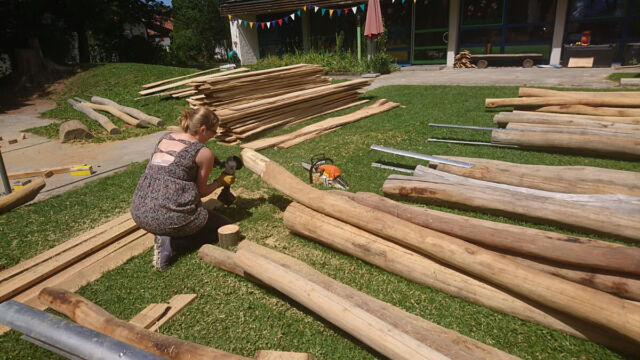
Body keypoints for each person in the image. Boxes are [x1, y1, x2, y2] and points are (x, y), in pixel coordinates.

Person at [130, 108, 235, 270]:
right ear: (202, 130)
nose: (213, 137)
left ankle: (166, 233)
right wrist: (220, 182)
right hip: (168, 216)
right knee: (222, 227)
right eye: (213, 132)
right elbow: (202, 192)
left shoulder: (165, 137)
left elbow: (175, 164)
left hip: (139, 210)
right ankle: (172, 243)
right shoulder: (204, 153)